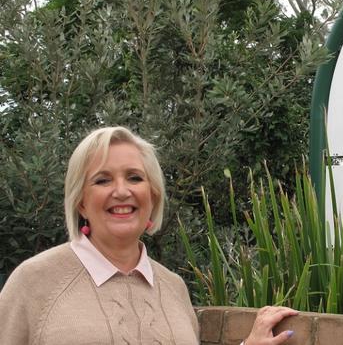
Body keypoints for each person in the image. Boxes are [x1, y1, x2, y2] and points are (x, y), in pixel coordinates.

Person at [0, 126, 297, 345]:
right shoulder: (35, 282)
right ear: (80, 201)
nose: (121, 191)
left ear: (152, 196)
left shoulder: (173, 287)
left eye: (134, 177)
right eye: (102, 180)